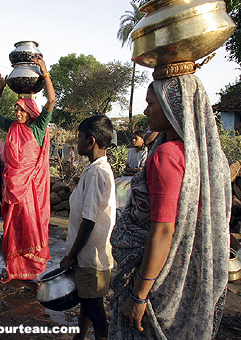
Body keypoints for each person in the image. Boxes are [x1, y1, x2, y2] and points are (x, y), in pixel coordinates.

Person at [109, 75, 231, 339]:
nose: (145, 110)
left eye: (151, 103)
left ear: (172, 106)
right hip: (187, 276)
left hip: (156, 279)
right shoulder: (210, 156)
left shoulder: (167, 156)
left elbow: (163, 230)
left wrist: (139, 295)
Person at [0, 55, 55, 283]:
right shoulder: (12, 126)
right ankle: (13, 270)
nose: (17, 113)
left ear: (29, 112)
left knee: (29, 225)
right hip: (12, 186)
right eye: (15, 110)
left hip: (29, 190)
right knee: (12, 229)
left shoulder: (37, 127)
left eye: (21, 110)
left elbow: (51, 102)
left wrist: (44, 73)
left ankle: (33, 270)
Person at [60, 115, 115, 340]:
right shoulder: (96, 168)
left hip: (90, 256)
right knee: (87, 302)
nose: (77, 142)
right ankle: (79, 336)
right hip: (92, 254)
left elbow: (89, 220)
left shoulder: (95, 173)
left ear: (91, 141)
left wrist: (71, 255)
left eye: (80, 137)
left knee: (95, 311)